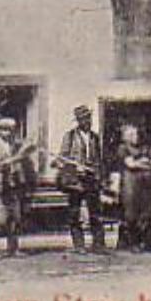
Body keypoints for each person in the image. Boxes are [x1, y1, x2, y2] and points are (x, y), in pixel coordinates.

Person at [0, 117, 35, 258]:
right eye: (5, 129)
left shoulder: (16, 144)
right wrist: (17, 157)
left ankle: (13, 247)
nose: (9, 133)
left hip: (12, 183)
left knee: (14, 216)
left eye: (11, 130)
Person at [57, 105, 106, 252]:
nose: (87, 121)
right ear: (78, 120)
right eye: (83, 118)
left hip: (92, 179)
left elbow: (98, 158)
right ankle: (79, 245)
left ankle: (98, 244)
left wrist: (98, 174)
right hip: (75, 181)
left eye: (88, 118)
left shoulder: (95, 137)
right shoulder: (70, 136)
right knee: (75, 213)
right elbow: (62, 159)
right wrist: (74, 168)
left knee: (96, 213)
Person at [118, 123, 151, 252]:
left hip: (142, 184)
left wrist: (142, 163)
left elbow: (150, 162)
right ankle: (131, 242)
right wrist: (144, 163)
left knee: (143, 211)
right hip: (129, 183)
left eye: (136, 134)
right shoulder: (123, 148)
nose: (136, 136)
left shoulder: (141, 148)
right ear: (126, 137)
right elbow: (131, 164)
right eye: (132, 134)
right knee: (130, 213)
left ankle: (141, 241)